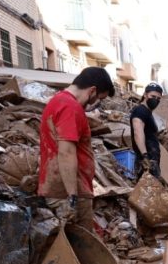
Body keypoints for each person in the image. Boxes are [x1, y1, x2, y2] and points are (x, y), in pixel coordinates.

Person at [38, 66, 114, 229]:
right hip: (69, 192)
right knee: (80, 247)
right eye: (99, 98)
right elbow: (66, 152)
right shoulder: (70, 107)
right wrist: (72, 196)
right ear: (92, 90)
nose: (96, 104)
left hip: (62, 188)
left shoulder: (59, 101)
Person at [130, 82, 164, 178]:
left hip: (151, 159)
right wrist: (145, 156)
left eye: (158, 99)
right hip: (147, 161)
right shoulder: (141, 111)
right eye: (153, 96)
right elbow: (138, 132)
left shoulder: (147, 112)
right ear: (145, 95)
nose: (155, 100)